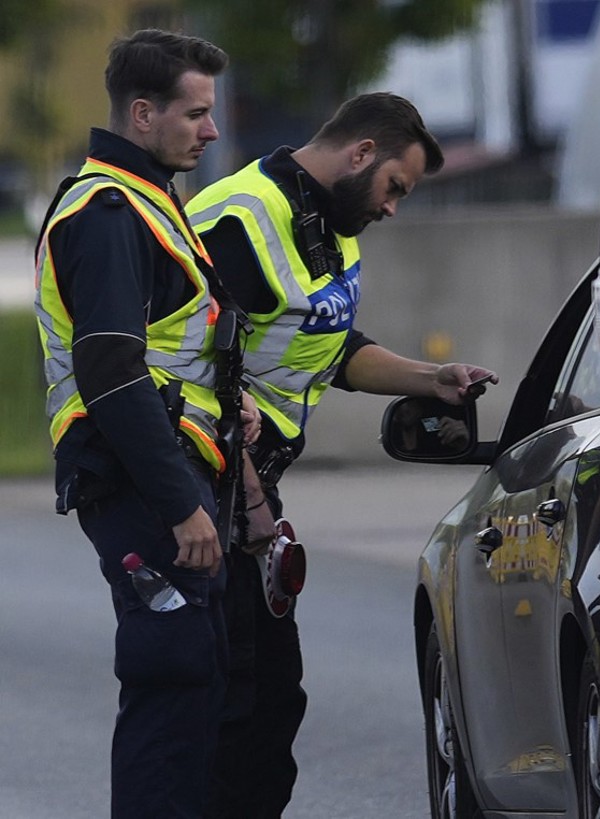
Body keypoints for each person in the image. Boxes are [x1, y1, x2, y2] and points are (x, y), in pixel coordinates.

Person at [186, 91, 497, 816]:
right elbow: (188, 358)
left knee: (270, 703)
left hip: (252, 490)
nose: (393, 209)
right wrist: (247, 494)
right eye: (396, 187)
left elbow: (329, 349)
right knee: (227, 703)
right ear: (361, 154)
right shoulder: (242, 218)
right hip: (202, 483)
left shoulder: (332, 228)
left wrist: (431, 378)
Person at [31, 28, 258, 818]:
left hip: (169, 469)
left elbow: (167, 350)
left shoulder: (149, 202)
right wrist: (180, 504)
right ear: (141, 113)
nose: (212, 129)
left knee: (197, 681)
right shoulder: (106, 213)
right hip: (142, 481)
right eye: (195, 113)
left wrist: (231, 405)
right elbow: (111, 372)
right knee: (172, 681)